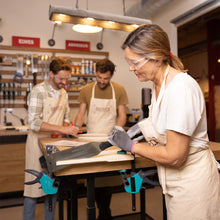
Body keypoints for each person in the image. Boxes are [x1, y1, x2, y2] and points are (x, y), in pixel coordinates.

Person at [109, 24, 220, 220]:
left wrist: (132, 145)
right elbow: (160, 121)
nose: (130, 68)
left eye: (135, 62)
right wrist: (138, 129)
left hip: (192, 185)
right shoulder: (158, 84)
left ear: (156, 57)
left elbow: (175, 155)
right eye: (128, 61)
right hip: (173, 182)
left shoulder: (180, 88)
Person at [23, 58, 79, 220]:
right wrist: (61, 128)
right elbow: (33, 123)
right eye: (61, 79)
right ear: (51, 74)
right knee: (33, 190)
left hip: (55, 146)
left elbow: (66, 117)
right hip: (37, 146)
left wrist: (68, 127)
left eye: (66, 79)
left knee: (52, 188)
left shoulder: (64, 93)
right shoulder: (38, 91)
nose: (64, 82)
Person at [74, 58, 128, 219]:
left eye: (106, 78)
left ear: (111, 76)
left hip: (110, 140)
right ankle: (101, 210)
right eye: (99, 77)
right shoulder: (86, 89)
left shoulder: (118, 90)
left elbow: (122, 115)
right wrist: (76, 128)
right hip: (92, 138)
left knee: (108, 179)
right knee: (93, 177)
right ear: (95, 73)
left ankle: (105, 210)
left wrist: (116, 130)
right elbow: (81, 113)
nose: (102, 81)